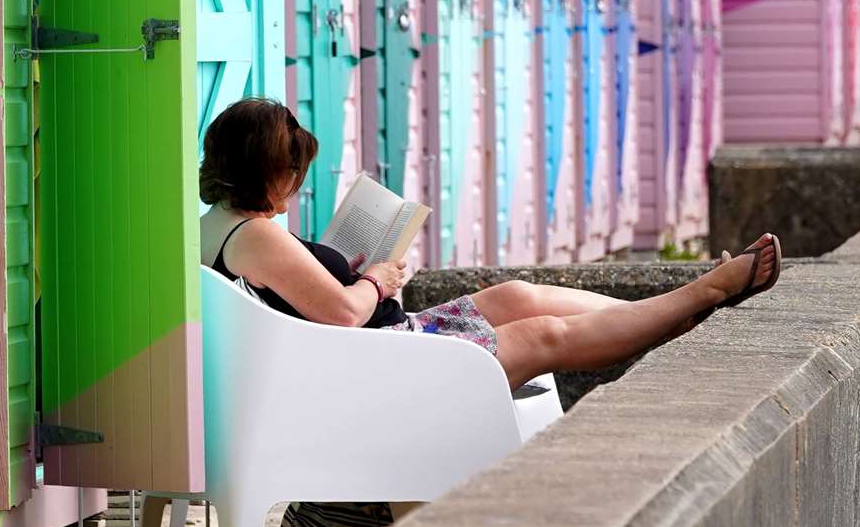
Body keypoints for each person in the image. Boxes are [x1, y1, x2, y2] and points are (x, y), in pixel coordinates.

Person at [200, 98, 782, 389]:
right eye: (291, 171)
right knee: (541, 334)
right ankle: (699, 296)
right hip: (377, 372)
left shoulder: (222, 225)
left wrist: (352, 272)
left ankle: (661, 315)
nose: (295, 185)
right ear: (264, 169)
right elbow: (343, 314)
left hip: (371, 354)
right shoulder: (254, 235)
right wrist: (378, 278)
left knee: (517, 296)